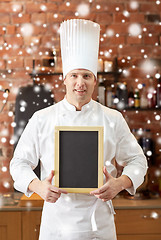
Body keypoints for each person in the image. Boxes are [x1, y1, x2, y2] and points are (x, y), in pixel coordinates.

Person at [10, 19, 148, 240]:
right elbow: (18, 164)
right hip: (56, 226)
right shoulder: (42, 118)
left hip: (99, 225)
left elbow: (138, 161)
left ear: (95, 81)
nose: (80, 83)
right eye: (74, 75)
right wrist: (38, 186)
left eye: (86, 76)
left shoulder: (113, 118)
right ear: (64, 80)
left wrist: (120, 184)